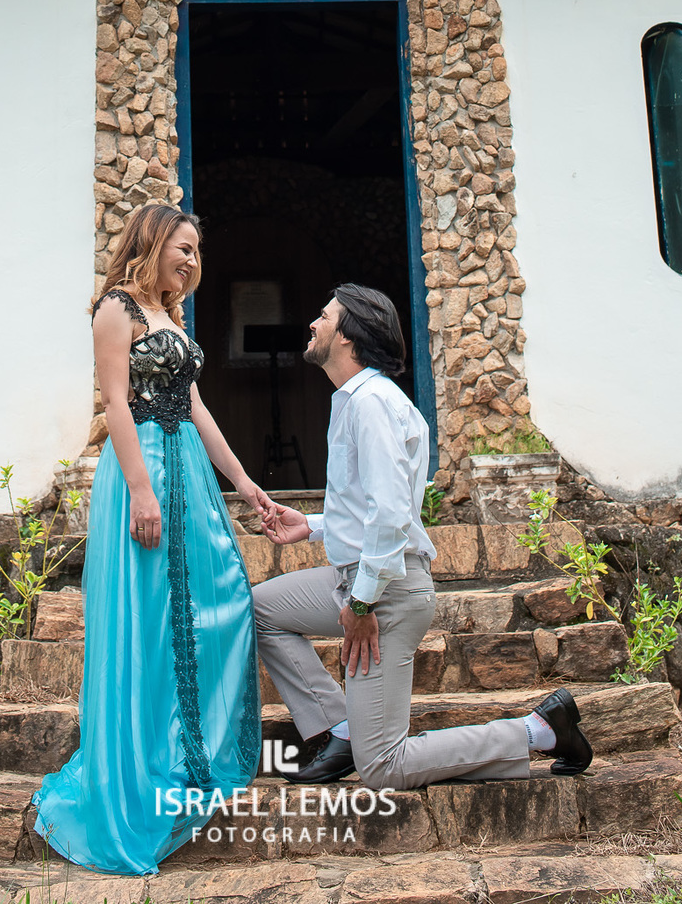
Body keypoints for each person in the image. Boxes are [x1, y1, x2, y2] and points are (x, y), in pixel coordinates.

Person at [254, 284, 594, 788]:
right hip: (354, 581)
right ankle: (342, 728)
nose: (313, 324)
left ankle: (537, 730)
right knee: (260, 609)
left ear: (348, 337)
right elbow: (377, 506)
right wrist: (315, 525)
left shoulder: (371, 404)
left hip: (386, 593)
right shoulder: (354, 401)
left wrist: (364, 605)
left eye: (324, 317)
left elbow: (391, 516)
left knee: (382, 768)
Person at [32, 203, 276, 875]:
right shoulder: (116, 310)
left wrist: (244, 483)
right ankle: (137, 778)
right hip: (142, 469)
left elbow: (196, 408)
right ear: (152, 240)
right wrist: (140, 489)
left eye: (198, 250)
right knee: (148, 620)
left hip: (188, 475)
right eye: (184, 246)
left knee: (220, 597)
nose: (193, 260)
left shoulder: (171, 316)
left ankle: (185, 757)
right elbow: (114, 404)